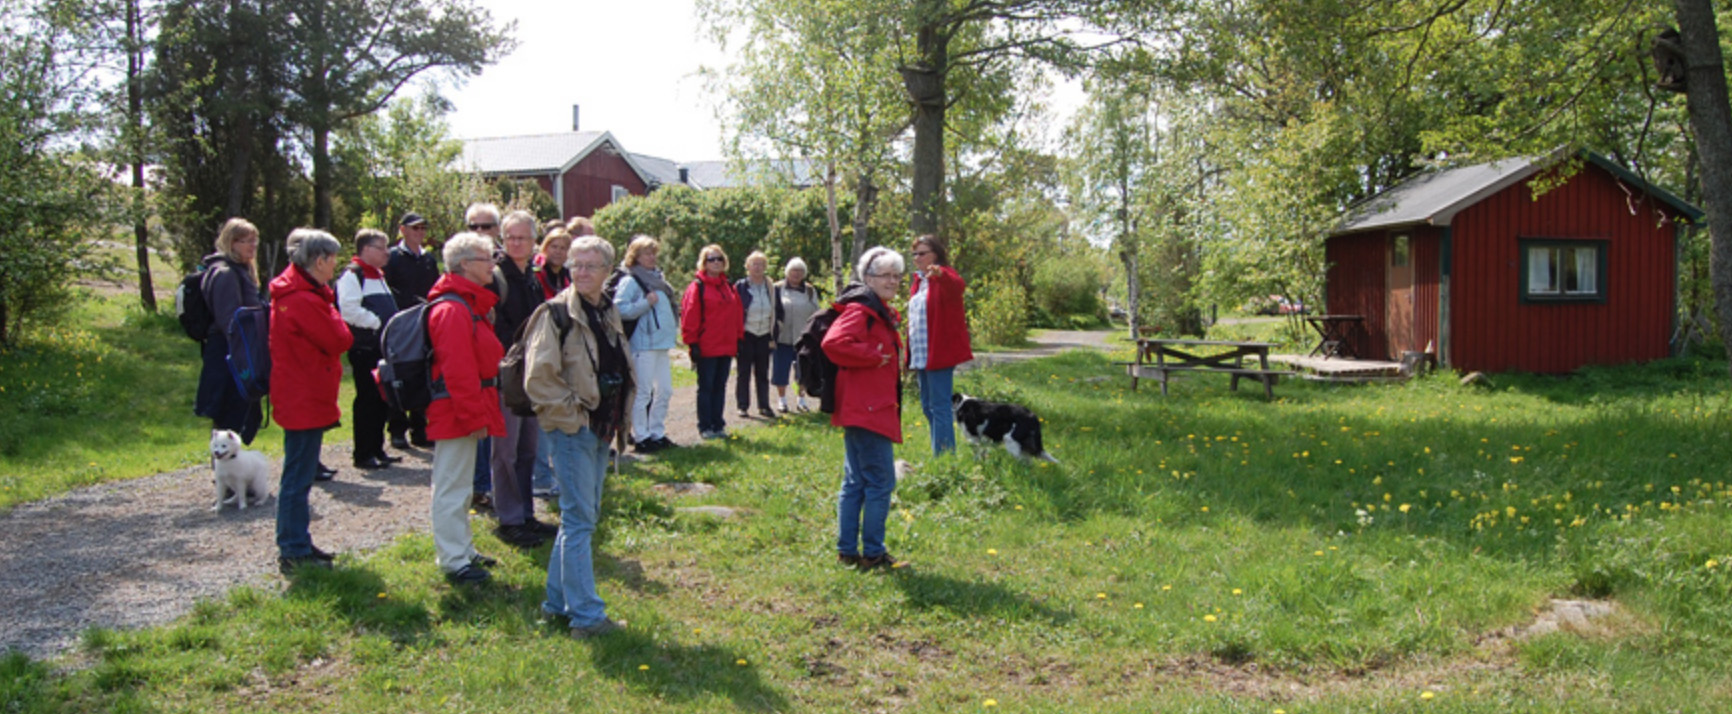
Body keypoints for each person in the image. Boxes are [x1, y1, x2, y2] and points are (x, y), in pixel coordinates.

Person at [526, 235, 635, 638]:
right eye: (576, 264)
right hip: (574, 430)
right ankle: (586, 617)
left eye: (591, 265)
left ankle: (556, 604)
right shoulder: (555, 314)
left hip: (601, 429)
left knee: (580, 518)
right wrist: (574, 415)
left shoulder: (606, 310)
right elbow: (539, 380)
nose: (582, 272)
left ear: (608, 272)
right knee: (580, 520)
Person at [269, 229, 354, 575]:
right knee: (298, 476)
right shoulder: (304, 299)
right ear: (319, 261)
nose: (335, 266)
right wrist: (333, 310)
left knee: (300, 473)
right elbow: (340, 339)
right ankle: (292, 547)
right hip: (302, 395)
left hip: (302, 392)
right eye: (333, 258)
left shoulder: (301, 293)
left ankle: (297, 541)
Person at [425, 232, 507, 584]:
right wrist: (473, 416)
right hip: (455, 410)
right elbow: (458, 370)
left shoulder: (466, 304)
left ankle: (463, 550)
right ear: (463, 265)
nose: (492, 264)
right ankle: (454, 561)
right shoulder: (452, 309)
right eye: (485, 258)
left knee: (459, 485)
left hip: (465, 406)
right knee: (451, 487)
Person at [823, 246, 906, 570]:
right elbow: (833, 343)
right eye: (885, 275)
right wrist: (873, 355)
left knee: (856, 481)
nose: (892, 281)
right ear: (868, 277)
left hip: (866, 407)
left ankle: (847, 551)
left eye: (896, 275)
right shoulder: (862, 310)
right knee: (881, 482)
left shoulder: (878, 309)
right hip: (867, 409)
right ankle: (873, 553)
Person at [488, 210, 557, 548]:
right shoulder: (495, 276)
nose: (515, 243)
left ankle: (525, 513)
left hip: (529, 373)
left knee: (528, 448)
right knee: (506, 451)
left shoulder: (530, 275)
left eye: (522, 238)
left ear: (533, 241)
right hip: (506, 374)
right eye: (510, 237)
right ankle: (509, 519)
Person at [335, 228, 403, 470]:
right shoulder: (353, 275)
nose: (387, 253)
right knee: (367, 399)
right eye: (381, 248)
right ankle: (363, 453)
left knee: (382, 398)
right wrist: (378, 324)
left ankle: (377, 448)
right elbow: (349, 310)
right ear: (365, 250)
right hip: (366, 347)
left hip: (383, 347)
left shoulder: (378, 275)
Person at [195, 218, 265, 445]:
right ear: (231, 242)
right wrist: (245, 353)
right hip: (229, 352)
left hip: (240, 350)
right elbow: (229, 321)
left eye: (254, 241)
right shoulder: (225, 273)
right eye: (246, 241)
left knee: (239, 414)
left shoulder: (242, 270)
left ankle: (232, 471)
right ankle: (225, 473)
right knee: (228, 416)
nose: (252, 246)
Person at [906, 234, 973, 456]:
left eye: (922, 253)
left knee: (940, 406)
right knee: (927, 406)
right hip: (921, 353)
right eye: (914, 254)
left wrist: (940, 275)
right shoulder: (919, 282)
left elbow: (957, 286)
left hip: (939, 353)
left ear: (936, 254)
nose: (917, 258)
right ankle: (941, 451)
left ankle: (945, 457)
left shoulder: (945, 275)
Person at [613, 235, 679, 453]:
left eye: (653, 253)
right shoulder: (631, 280)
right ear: (636, 256)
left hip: (662, 343)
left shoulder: (658, 278)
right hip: (643, 344)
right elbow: (619, 309)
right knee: (643, 392)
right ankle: (641, 436)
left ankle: (656, 432)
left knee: (665, 391)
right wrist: (645, 303)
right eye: (646, 253)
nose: (651, 257)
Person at [383, 212, 439, 450]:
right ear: (403, 230)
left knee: (421, 372)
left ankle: (420, 428)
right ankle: (397, 429)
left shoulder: (428, 259)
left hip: (423, 321)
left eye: (423, 229)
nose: (419, 233)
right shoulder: (394, 257)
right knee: (400, 373)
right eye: (415, 228)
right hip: (401, 322)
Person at [463, 203, 502, 512]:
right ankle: (479, 487)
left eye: (486, 226)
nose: (479, 232)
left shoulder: (501, 264)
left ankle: (489, 483)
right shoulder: (463, 261)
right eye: (473, 226)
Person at [681, 244, 743, 439]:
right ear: (704, 263)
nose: (716, 263)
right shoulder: (697, 287)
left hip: (726, 346)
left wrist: (738, 338)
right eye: (711, 259)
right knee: (706, 388)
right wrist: (692, 343)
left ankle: (718, 424)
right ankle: (705, 426)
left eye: (719, 259)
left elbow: (738, 315)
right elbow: (690, 316)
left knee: (721, 387)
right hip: (707, 346)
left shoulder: (729, 287)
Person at [772, 257, 822, 412]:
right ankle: (782, 400)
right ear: (787, 272)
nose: (796, 274)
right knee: (780, 369)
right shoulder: (777, 288)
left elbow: (816, 311)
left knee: (803, 370)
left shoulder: (809, 290)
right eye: (794, 270)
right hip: (782, 337)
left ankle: (801, 400)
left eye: (800, 271)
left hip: (803, 338)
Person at [734, 251, 777, 419]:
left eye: (761, 264)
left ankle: (764, 406)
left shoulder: (770, 286)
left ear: (765, 267)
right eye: (754, 264)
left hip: (764, 334)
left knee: (762, 372)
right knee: (743, 372)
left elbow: (776, 309)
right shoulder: (741, 286)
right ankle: (742, 406)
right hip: (746, 333)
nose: (758, 267)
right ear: (748, 267)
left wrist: (775, 331)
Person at [534, 229, 572, 300]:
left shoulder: (568, 277)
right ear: (545, 248)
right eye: (554, 247)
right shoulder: (536, 273)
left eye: (563, 248)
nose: (558, 251)